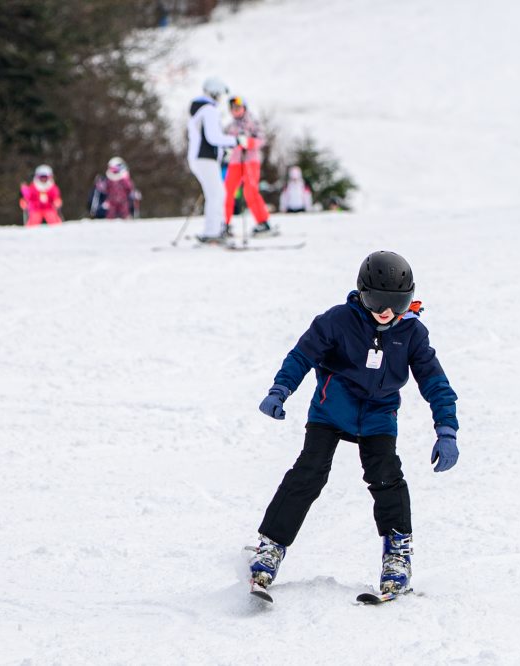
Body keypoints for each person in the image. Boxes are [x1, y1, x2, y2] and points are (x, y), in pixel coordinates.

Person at [246, 250, 460, 600]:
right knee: (309, 472)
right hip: (332, 409)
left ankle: (397, 555)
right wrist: (279, 389)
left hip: (378, 415)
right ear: (362, 293)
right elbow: (302, 355)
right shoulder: (337, 321)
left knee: (386, 475)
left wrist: (446, 430)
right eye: (377, 300)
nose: (386, 310)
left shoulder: (411, 334)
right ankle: (270, 547)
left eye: (397, 301)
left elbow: (435, 382)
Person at [187, 76, 241, 243]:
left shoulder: (200, 110)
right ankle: (213, 232)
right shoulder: (209, 110)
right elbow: (213, 137)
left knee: (216, 194)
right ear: (215, 93)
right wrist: (236, 140)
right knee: (216, 194)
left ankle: (216, 228)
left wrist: (222, 151)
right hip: (205, 158)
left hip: (201, 158)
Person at [223, 95, 272, 235]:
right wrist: (227, 149)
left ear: (244, 108)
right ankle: (224, 223)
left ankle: (263, 222)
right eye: (233, 108)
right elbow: (225, 141)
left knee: (250, 191)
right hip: (234, 162)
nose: (236, 110)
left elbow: (262, 139)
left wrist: (249, 142)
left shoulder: (252, 122)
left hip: (250, 161)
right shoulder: (230, 126)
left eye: (238, 107)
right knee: (227, 191)